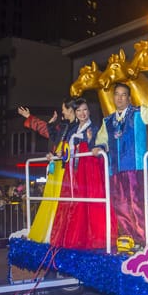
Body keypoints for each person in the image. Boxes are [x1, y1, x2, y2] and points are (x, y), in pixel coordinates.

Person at [92, 80, 148, 245]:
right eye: (117, 95)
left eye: (123, 95)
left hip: (135, 167)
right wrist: (99, 147)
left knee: (137, 204)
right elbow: (101, 139)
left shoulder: (138, 113)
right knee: (120, 205)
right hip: (115, 168)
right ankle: (128, 239)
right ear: (113, 98)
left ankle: (145, 240)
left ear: (129, 98)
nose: (120, 98)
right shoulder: (108, 121)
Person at [50, 98, 117, 249]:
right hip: (73, 173)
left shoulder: (94, 128)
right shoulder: (72, 130)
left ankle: (93, 240)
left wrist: (94, 144)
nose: (82, 113)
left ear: (89, 111)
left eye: (85, 110)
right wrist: (59, 152)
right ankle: (73, 239)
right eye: (79, 110)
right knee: (74, 204)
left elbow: (102, 144)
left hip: (89, 171)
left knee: (91, 203)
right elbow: (66, 149)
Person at [19, 99, 78, 243]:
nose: (62, 111)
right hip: (56, 167)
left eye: (63, 108)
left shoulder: (78, 126)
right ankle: (49, 232)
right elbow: (48, 131)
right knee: (51, 199)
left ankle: (61, 234)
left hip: (68, 169)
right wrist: (30, 118)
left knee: (63, 200)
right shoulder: (63, 126)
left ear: (70, 110)